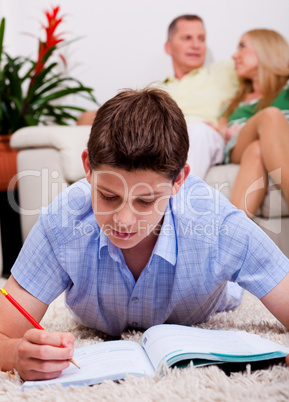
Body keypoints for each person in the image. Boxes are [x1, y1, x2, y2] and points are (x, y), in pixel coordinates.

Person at [1, 87, 288, 381]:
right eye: (108, 196)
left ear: (179, 180)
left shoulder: (218, 221)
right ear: (87, 167)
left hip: (216, 302)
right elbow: (3, 331)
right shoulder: (61, 221)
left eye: (146, 201)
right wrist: (15, 354)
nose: (123, 221)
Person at [77, 15, 239, 179]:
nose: (196, 45)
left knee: (198, 131)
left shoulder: (224, 72)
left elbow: (261, 60)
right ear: (169, 47)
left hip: (204, 136)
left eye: (201, 38)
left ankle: (176, 202)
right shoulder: (155, 90)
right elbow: (94, 118)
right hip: (164, 139)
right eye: (187, 38)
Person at [217, 29, 289, 218]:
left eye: (242, 47)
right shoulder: (233, 104)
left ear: (267, 50)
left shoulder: (286, 92)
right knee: (270, 116)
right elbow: (221, 131)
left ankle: (231, 237)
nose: (234, 55)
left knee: (257, 149)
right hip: (238, 147)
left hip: (270, 147)